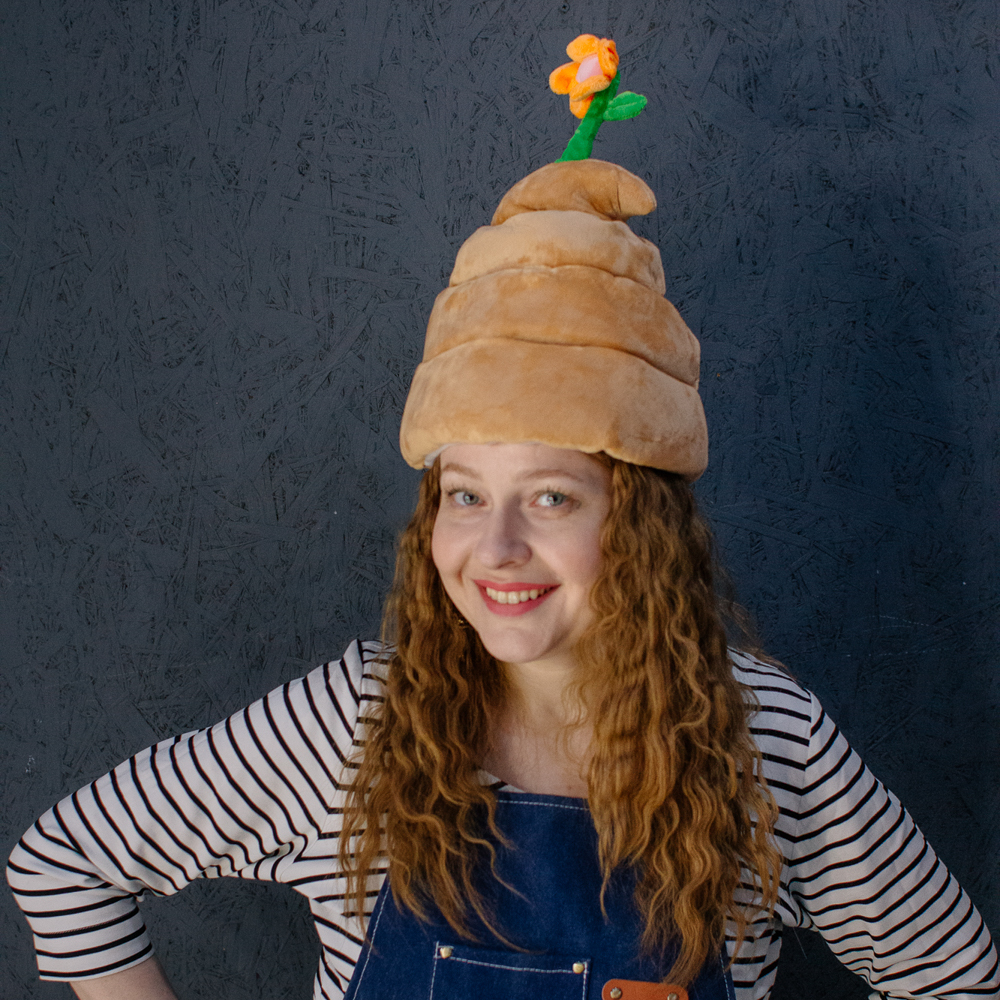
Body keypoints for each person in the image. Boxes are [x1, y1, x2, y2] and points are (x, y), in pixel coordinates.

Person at [7, 153, 999, 1000]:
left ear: (640, 523)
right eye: (466, 495)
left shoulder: (763, 742)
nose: (496, 547)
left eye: (553, 497)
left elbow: (952, 976)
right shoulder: (352, 728)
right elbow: (65, 861)